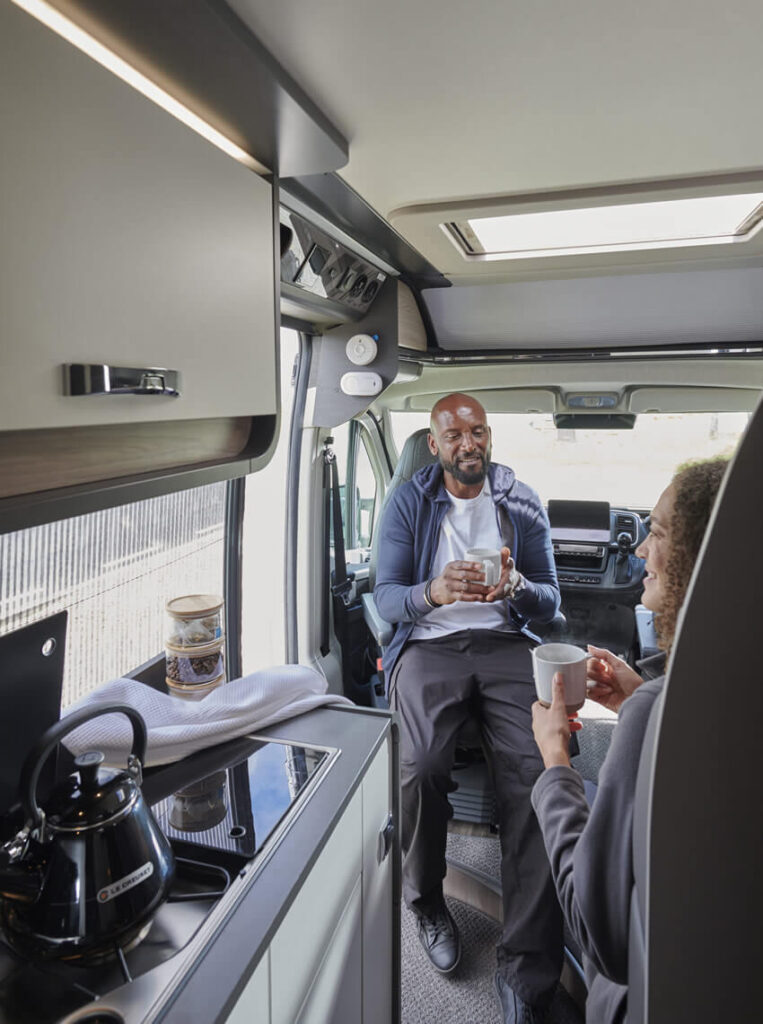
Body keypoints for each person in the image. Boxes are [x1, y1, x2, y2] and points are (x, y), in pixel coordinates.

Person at [375, 392, 563, 1024]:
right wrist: (432, 592)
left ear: (489, 436)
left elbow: (552, 603)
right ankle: (426, 900)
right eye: (454, 435)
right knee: (421, 764)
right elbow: (385, 595)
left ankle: (527, 968)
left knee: (538, 773)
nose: (468, 444)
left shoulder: (521, 501)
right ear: (434, 445)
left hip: (506, 643)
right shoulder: (409, 501)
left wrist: (518, 586)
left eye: (477, 432)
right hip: (430, 646)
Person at [530, 456, 729, 1024]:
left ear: (700, 555)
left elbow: (602, 937)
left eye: (658, 533)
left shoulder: (653, 713)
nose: (640, 550)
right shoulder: (713, 689)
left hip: (644, 994)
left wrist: (555, 763)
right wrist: (641, 695)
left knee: (582, 794)